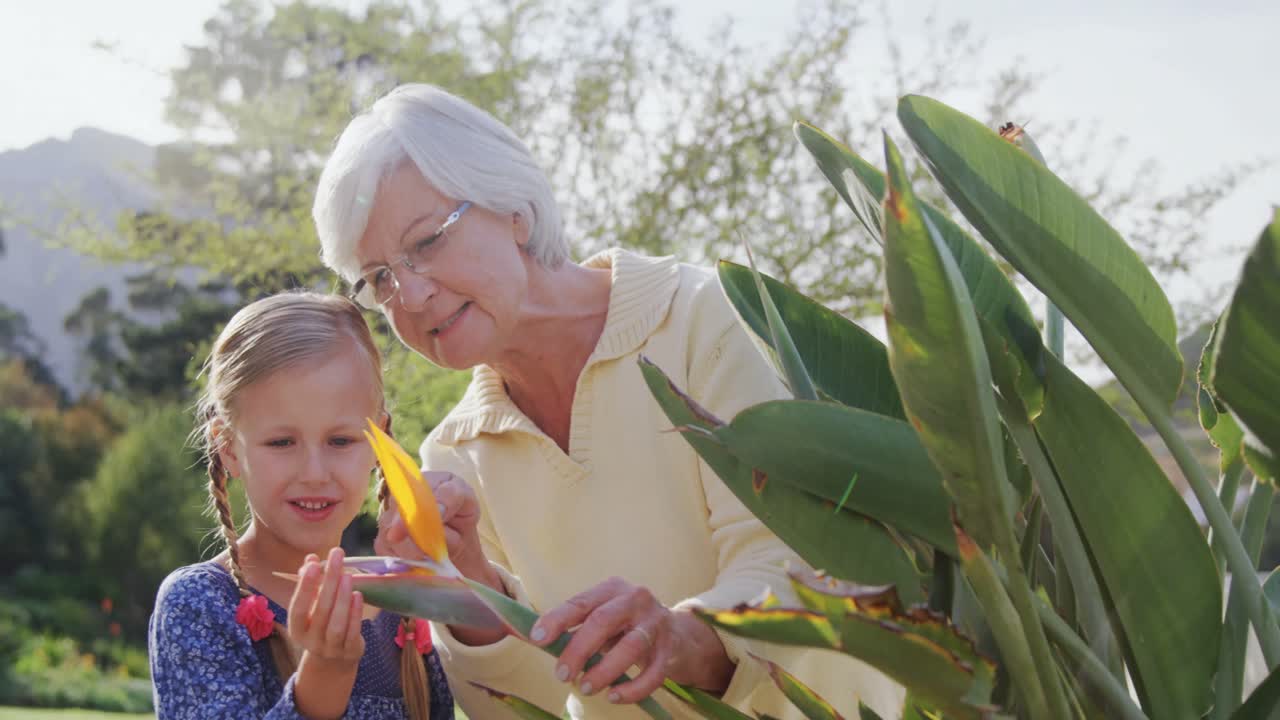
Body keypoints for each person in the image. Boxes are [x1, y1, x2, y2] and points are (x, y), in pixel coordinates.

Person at [312, 83, 903, 719]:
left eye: (427, 242)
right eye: (379, 278)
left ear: (512, 209)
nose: (410, 296)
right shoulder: (452, 459)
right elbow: (523, 708)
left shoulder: (708, 321)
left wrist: (681, 638)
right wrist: (469, 587)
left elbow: (802, 561)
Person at [148, 292, 454, 719]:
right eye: (281, 442)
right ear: (228, 448)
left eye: (340, 441)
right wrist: (324, 675)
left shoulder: (401, 604)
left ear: (379, 442)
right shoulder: (201, 603)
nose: (314, 473)